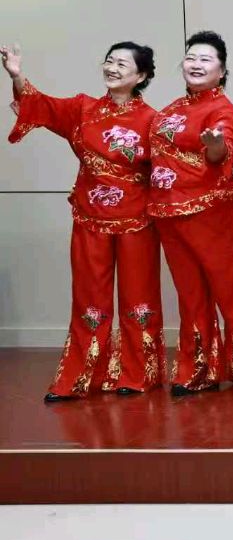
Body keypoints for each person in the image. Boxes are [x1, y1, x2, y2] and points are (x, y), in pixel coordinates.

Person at [4, 41, 165, 401]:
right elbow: (41, 105)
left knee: (139, 299)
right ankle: (82, 375)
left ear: (141, 76)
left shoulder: (153, 121)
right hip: (90, 217)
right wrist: (17, 75)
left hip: (138, 221)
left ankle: (138, 373)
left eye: (122, 64)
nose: (112, 68)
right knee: (88, 299)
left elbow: (171, 169)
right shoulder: (82, 109)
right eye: (109, 61)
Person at [151, 30, 233, 394]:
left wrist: (214, 146)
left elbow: (222, 151)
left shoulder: (223, 110)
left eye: (205, 59)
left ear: (222, 71)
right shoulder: (170, 110)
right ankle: (198, 370)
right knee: (190, 293)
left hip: (211, 212)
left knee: (232, 289)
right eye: (191, 57)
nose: (196, 64)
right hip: (168, 212)